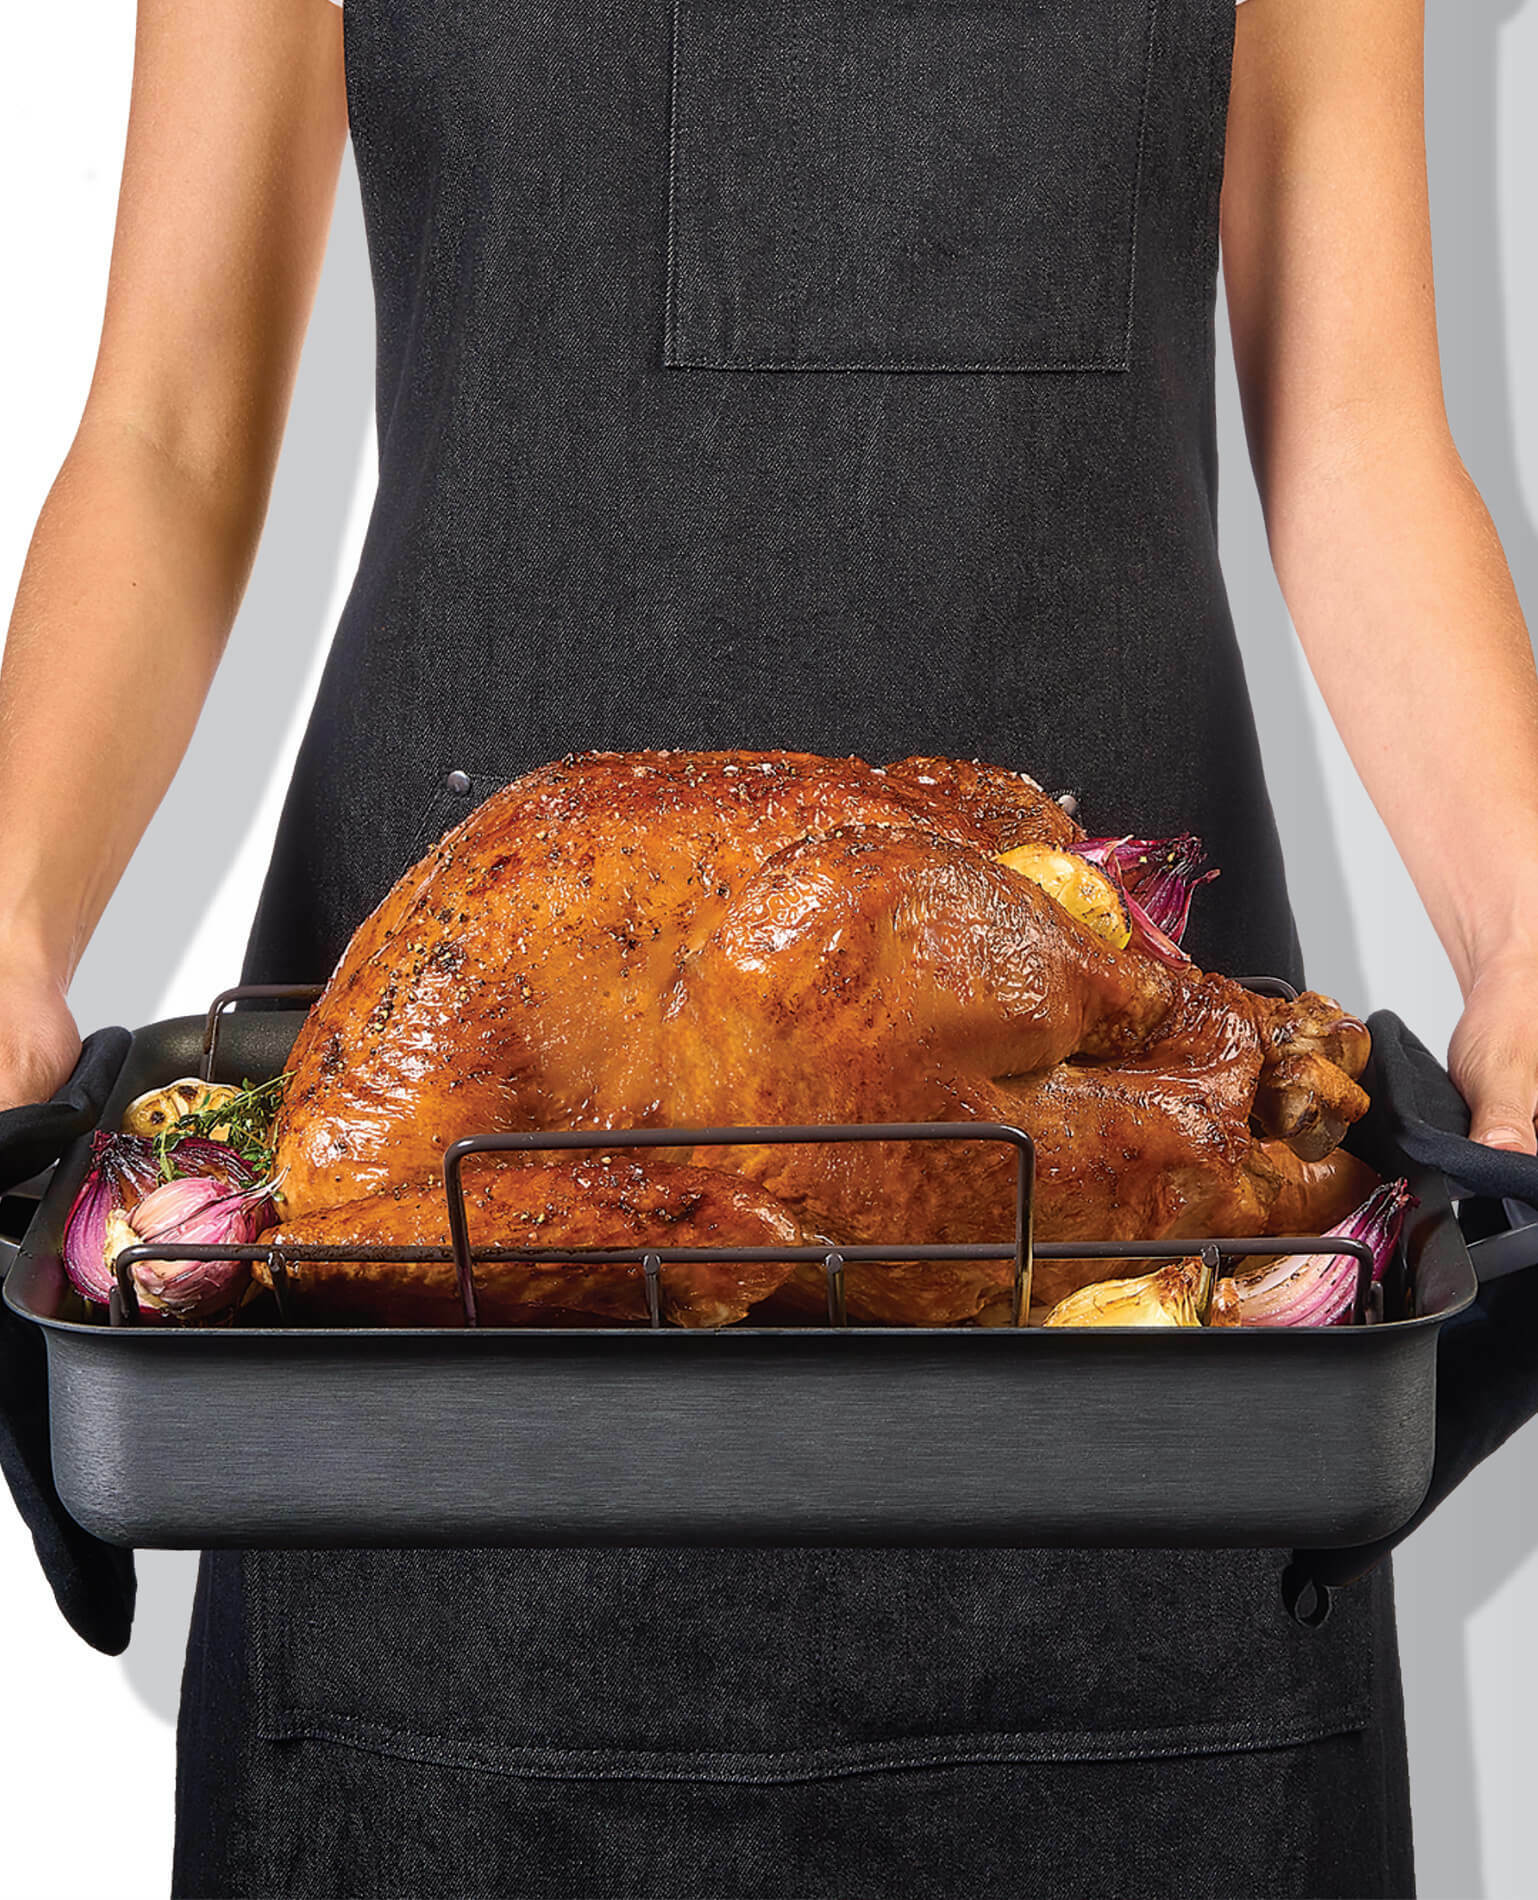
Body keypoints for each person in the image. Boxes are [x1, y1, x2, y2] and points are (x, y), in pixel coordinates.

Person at [3, 0, 1537, 1894]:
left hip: (1130, 1266)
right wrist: (8, 909)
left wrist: (1527, 932)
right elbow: (166, 427)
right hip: (465, 1246)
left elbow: (1359, 430)